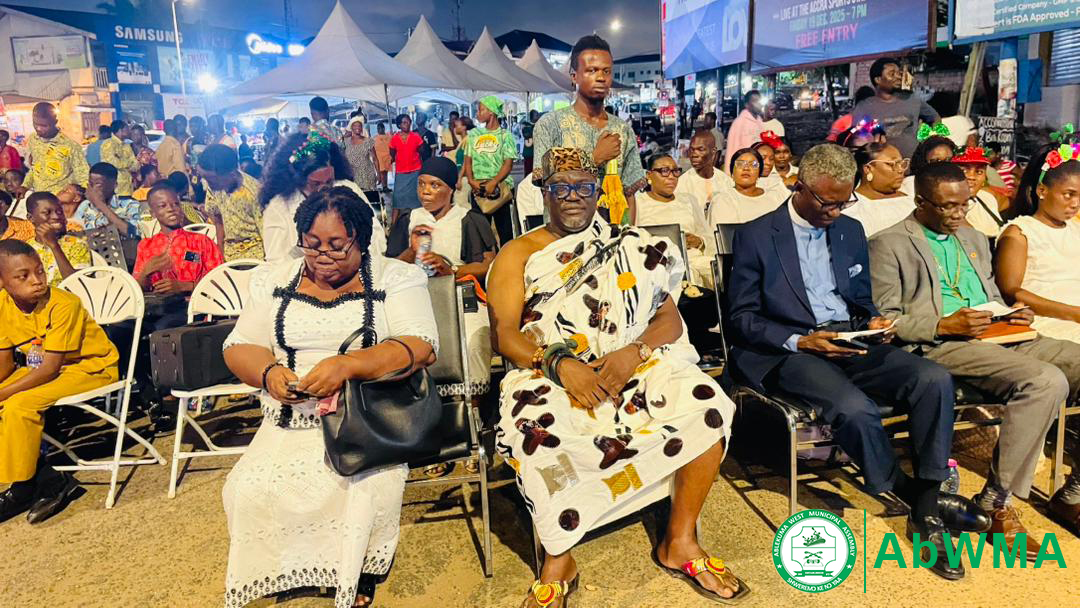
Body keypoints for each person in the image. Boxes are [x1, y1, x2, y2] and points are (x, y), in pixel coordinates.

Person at [488, 147, 745, 605]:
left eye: (583, 187)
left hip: (631, 364)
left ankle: (680, 539)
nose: (573, 197)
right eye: (561, 187)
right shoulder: (518, 252)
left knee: (705, 399)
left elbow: (669, 321)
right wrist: (561, 365)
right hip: (548, 368)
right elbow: (504, 335)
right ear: (545, 192)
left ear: (598, 193)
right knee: (538, 429)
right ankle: (559, 556)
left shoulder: (629, 245)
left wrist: (633, 353)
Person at [727, 144, 984, 580]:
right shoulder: (757, 234)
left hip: (850, 336)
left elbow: (861, 300)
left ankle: (925, 498)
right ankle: (919, 502)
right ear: (799, 187)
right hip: (791, 348)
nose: (834, 211)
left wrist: (874, 322)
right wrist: (801, 340)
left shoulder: (849, 229)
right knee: (853, 408)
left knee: (933, 379)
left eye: (843, 202)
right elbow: (742, 318)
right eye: (826, 202)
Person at [220, 186, 437, 608]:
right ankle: (292, 567)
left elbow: (420, 345)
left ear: (362, 239)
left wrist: (347, 366)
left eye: (337, 246)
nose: (322, 255)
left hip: (367, 423)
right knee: (247, 488)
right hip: (289, 421)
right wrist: (269, 373)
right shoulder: (274, 279)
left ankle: (354, 573)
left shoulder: (394, 277)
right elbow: (239, 344)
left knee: (358, 490)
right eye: (312, 243)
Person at [869, 161, 1080, 555]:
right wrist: (944, 324)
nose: (958, 214)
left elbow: (992, 295)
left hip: (999, 332)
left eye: (964, 204)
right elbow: (886, 318)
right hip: (944, 341)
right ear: (920, 202)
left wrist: (1012, 313)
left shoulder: (973, 237)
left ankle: (1073, 492)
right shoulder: (889, 243)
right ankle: (997, 502)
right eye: (948, 206)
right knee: (1045, 380)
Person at [0, 239, 119, 524]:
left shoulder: (63, 304)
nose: (37, 280)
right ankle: (48, 479)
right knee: (10, 400)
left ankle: (22, 489)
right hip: (45, 369)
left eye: (39, 271)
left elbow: (50, 369)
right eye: (23, 276)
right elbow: (5, 364)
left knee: (19, 405)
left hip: (90, 368)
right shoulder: (2, 306)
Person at [386, 157, 495, 393]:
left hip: (460, 295)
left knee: (473, 341)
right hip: (416, 298)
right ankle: (419, 399)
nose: (425, 191)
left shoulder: (468, 219)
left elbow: (488, 265)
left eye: (435, 185)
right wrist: (412, 251)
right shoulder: (409, 220)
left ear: (451, 188)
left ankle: (473, 400)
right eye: (421, 184)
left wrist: (451, 271)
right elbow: (390, 267)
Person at [532, 35, 648, 203]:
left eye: (606, 71)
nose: (601, 77)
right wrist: (595, 158)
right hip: (567, 218)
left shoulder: (623, 129)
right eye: (591, 70)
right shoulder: (550, 124)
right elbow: (544, 178)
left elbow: (628, 195)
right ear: (574, 76)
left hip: (611, 219)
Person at [994, 144, 1080, 344]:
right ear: (1042, 191)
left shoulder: (1075, 228)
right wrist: (1073, 313)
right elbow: (1010, 291)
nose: (1075, 204)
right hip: (1049, 319)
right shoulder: (1020, 232)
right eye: (1069, 194)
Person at [260, 132, 384, 265]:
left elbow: (377, 237)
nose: (324, 188)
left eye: (329, 181)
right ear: (297, 181)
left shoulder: (348, 188)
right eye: (315, 184)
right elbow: (276, 261)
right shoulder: (278, 207)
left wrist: (356, 259)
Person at [133, 182, 223, 329]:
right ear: (153, 213)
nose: (171, 209)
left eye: (175, 204)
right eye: (162, 206)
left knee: (163, 327)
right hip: (155, 309)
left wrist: (184, 286)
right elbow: (135, 290)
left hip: (192, 307)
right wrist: (146, 272)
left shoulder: (200, 241)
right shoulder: (146, 246)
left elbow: (219, 281)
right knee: (119, 330)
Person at [852, 58, 941, 159]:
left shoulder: (912, 99)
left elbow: (934, 118)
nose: (898, 77)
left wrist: (928, 139)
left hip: (913, 164)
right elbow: (857, 137)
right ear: (878, 80)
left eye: (899, 73)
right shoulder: (864, 107)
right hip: (883, 165)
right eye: (892, 74)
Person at [464, 95, 519, 245]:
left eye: (481, 110)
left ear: (492, 112)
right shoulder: (473, 135)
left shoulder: (505, 136)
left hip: (500, 190)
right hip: (478, 189)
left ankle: (505, 257)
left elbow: (508, 164)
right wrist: (471, 180)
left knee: (505, 232)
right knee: (480, 232)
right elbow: (468, 160)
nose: (477, 114)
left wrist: (494, 182)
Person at [198, 144, 263, 261]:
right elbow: (218, 220)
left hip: (254, 254)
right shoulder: (214, 187)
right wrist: (221, 254)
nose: (206, 184)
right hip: (229, 252)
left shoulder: (254, 192)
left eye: (210, 180)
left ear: (231, 174)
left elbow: (265, 233)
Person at [844, 142, 916, 237]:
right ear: (868, 168)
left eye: (901, 163)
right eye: (891, 164)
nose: (900, 170)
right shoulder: (853, 209)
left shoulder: (912, 189)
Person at [24, 192, 90, 286]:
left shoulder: (76, 244)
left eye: (59, 212)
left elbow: (77, 284)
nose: (56, 216)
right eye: (47, 213)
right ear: (31, 218)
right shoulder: (26, 249)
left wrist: (54, 245)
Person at [23, 102, 89, 195]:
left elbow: (83, 176)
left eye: (44, 126)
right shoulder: (33, 139)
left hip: (60, 199)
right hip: (39, 197)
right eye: (35, 124)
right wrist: (25, 186)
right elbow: (35, 168)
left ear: (55, 122)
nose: (39, 129)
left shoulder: (70, 146)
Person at [708, 148, 787, 225]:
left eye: (753, 164)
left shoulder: (774, 197)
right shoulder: (723, 200)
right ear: (732, 172)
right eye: (740, 164)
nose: (746, 168)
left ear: (759, 173)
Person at [72, 163, 141, 238]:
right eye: (90, 184)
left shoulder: (130, 205)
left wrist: (100, 204)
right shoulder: (85, 206)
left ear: (114, 185)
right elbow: (74, 232)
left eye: (98, 184)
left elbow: (132, 234)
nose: (93, 188)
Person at [674, 130, 735, 217]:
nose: (694, 155)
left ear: (713, 151)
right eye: (692, 150)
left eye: (700, 149)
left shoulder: (726, 182)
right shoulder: (682, 185)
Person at [951, 147, 1005, 238]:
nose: (971, 177)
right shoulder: (943, 207)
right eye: (964, 170)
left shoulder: (987, 198)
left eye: (979, 172)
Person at [388, 114, 425, 223]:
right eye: (404, 122)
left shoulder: (416, 136)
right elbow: (392, 152)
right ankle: (393, 226)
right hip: (401, 171)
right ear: (399, 125)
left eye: (408, 122)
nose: (407, 124)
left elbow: (422, 150)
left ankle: (417, 223)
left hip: (415, 170)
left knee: (416, 198)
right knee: (397, 198)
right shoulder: (395, 138)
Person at [724, 90, 765, 172]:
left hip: (757, 166)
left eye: (759, 101)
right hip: (743, 167)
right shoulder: (739, 122)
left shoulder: (760, 122)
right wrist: (729, 172)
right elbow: (731, 149)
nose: (759, 104)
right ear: (747, 105)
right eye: (755, 101)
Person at [343, 115, 379, 200]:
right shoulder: (345, 141)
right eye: (355, 125)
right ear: (351, 127)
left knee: (369, 198)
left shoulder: (368, 141)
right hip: (353, 175)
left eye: (359, 126)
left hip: (367, 174)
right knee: (355, 199)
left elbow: (375, 158)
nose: (357, 128)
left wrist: (378, 174)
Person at [100, 120, 138, 198]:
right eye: (127, 128)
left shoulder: (126, 145)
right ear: (121, 130)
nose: (129, 131)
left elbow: (136, 165)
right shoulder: (108, 144)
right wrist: (128, 163)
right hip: (115, 189)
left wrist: (122, 161)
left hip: (128, 188)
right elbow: (113, 163)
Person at [373, 122, 392, 191]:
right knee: (382, 172)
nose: (379, 130)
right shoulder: (375, 138)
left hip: (387, 157)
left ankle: (385, 186)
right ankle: (383, 186)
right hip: (379, 158)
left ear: (383, 128)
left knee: (385, 172)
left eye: (380, 128)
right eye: (378, 129)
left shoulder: (389, 137)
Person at [521, 109, 540, 176]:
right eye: (536, 115)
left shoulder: (537, 125)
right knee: (529, 171)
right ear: (532, 117)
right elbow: (527, 135)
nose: (538, 117)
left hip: (536, 153)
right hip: (529, 153)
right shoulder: (527, 127)